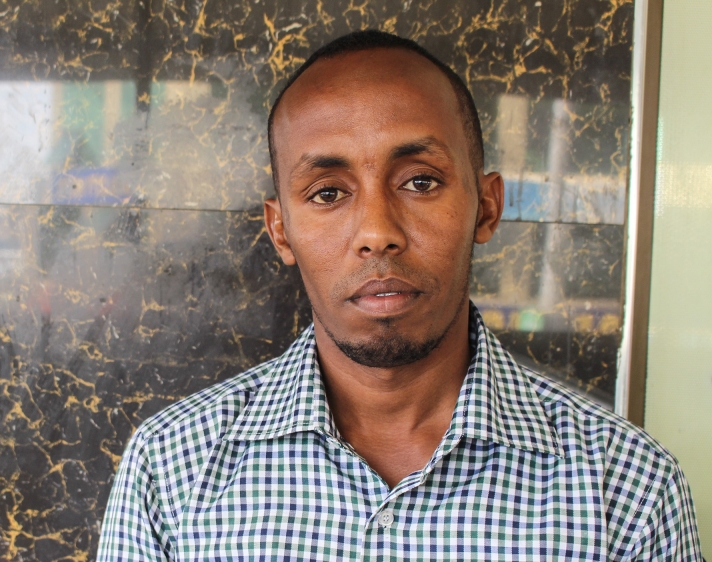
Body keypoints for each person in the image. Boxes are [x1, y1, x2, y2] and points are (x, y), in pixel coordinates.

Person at [97, 30, 703, 560]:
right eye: (328, 193)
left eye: (420, 182)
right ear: (281, 231)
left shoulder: (627, 489)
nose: (377, 233)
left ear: (486, 207)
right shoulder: (171, 470)